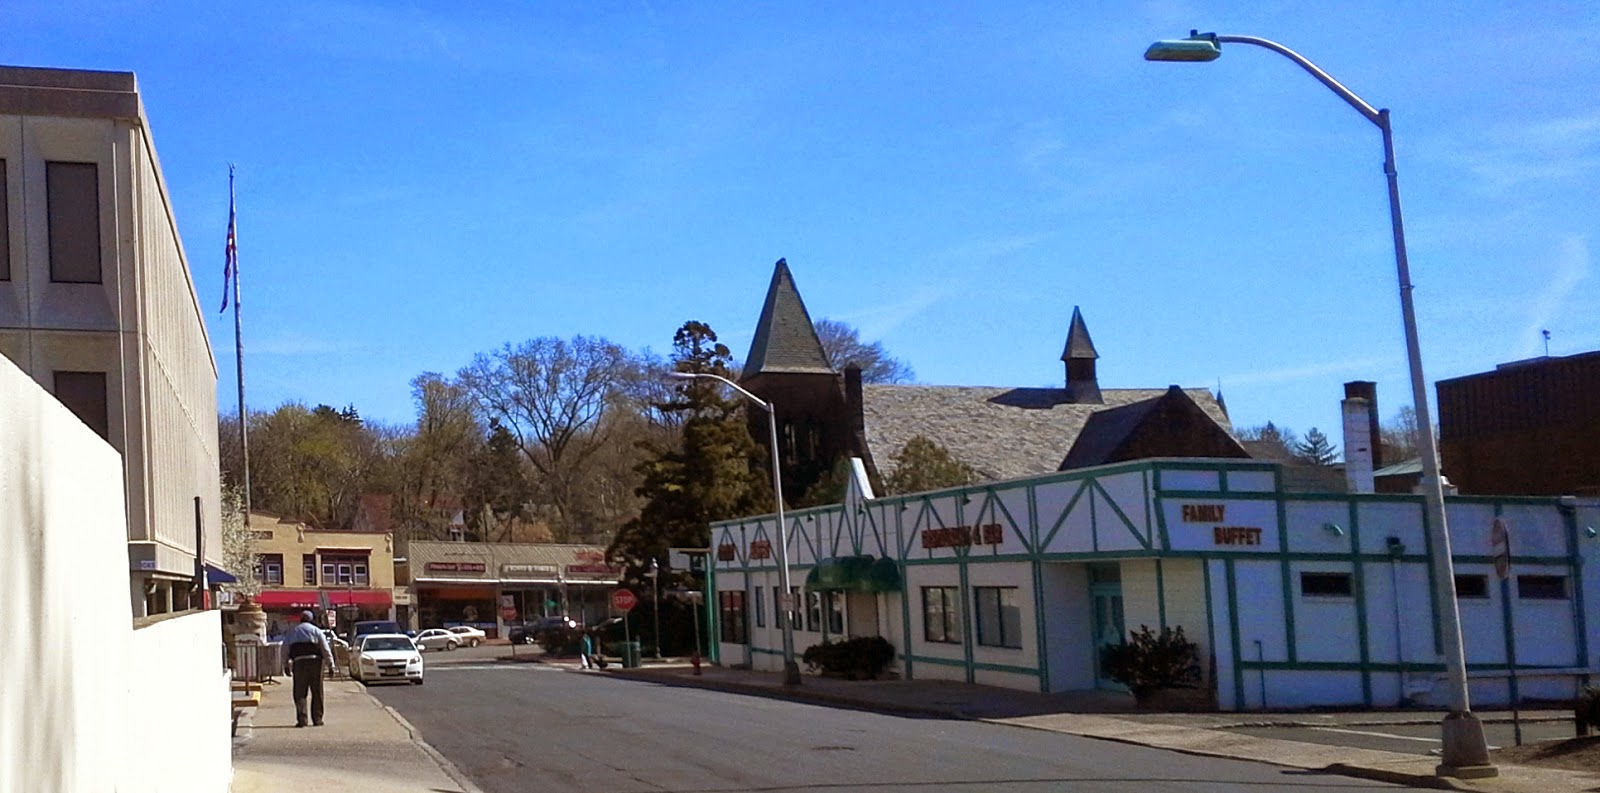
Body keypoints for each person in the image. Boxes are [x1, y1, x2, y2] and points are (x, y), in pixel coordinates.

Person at [282, 610, 335, 727]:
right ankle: (317, 719)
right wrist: (331, 665)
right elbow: (325, 649)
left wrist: (285, 665)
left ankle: (302, 720)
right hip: (316, 663)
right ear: (311, 619)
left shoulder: (292, 632)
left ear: (301, 619)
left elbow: (284, 649)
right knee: (317, 692)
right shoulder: (317, 631)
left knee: (300, 692)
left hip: (299, 663)